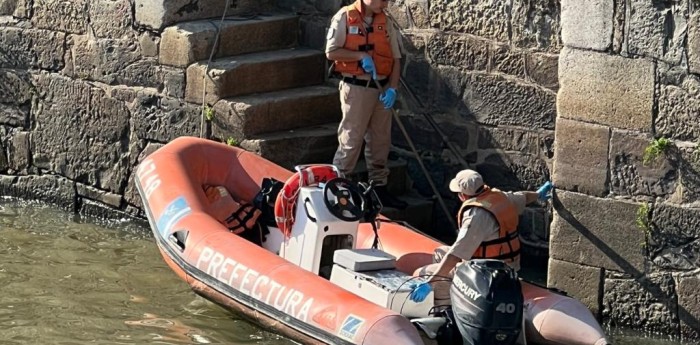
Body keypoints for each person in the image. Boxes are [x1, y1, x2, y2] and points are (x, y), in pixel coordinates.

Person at [409, 169, 553, 305]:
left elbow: (456, 254)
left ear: (463, 195)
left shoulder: (476, 216)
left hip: (487, 273)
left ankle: (447, 309)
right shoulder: (500, 197)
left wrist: (430, 283)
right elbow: (524, 197)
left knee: (423, 274)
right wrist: (538, 194)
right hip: (508, 266)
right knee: (439, 252)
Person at [325, 0, 407, 209]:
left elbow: (396, 59)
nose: (385, 4)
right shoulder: (344, 17)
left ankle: (378, 188)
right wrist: (360, 56)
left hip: (382, 89)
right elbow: (331, 52)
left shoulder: (385, 22)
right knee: (351, 139)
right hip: (357, 88)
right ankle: (338, 187)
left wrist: (393, 89)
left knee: (381, 140)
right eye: (382, 0)